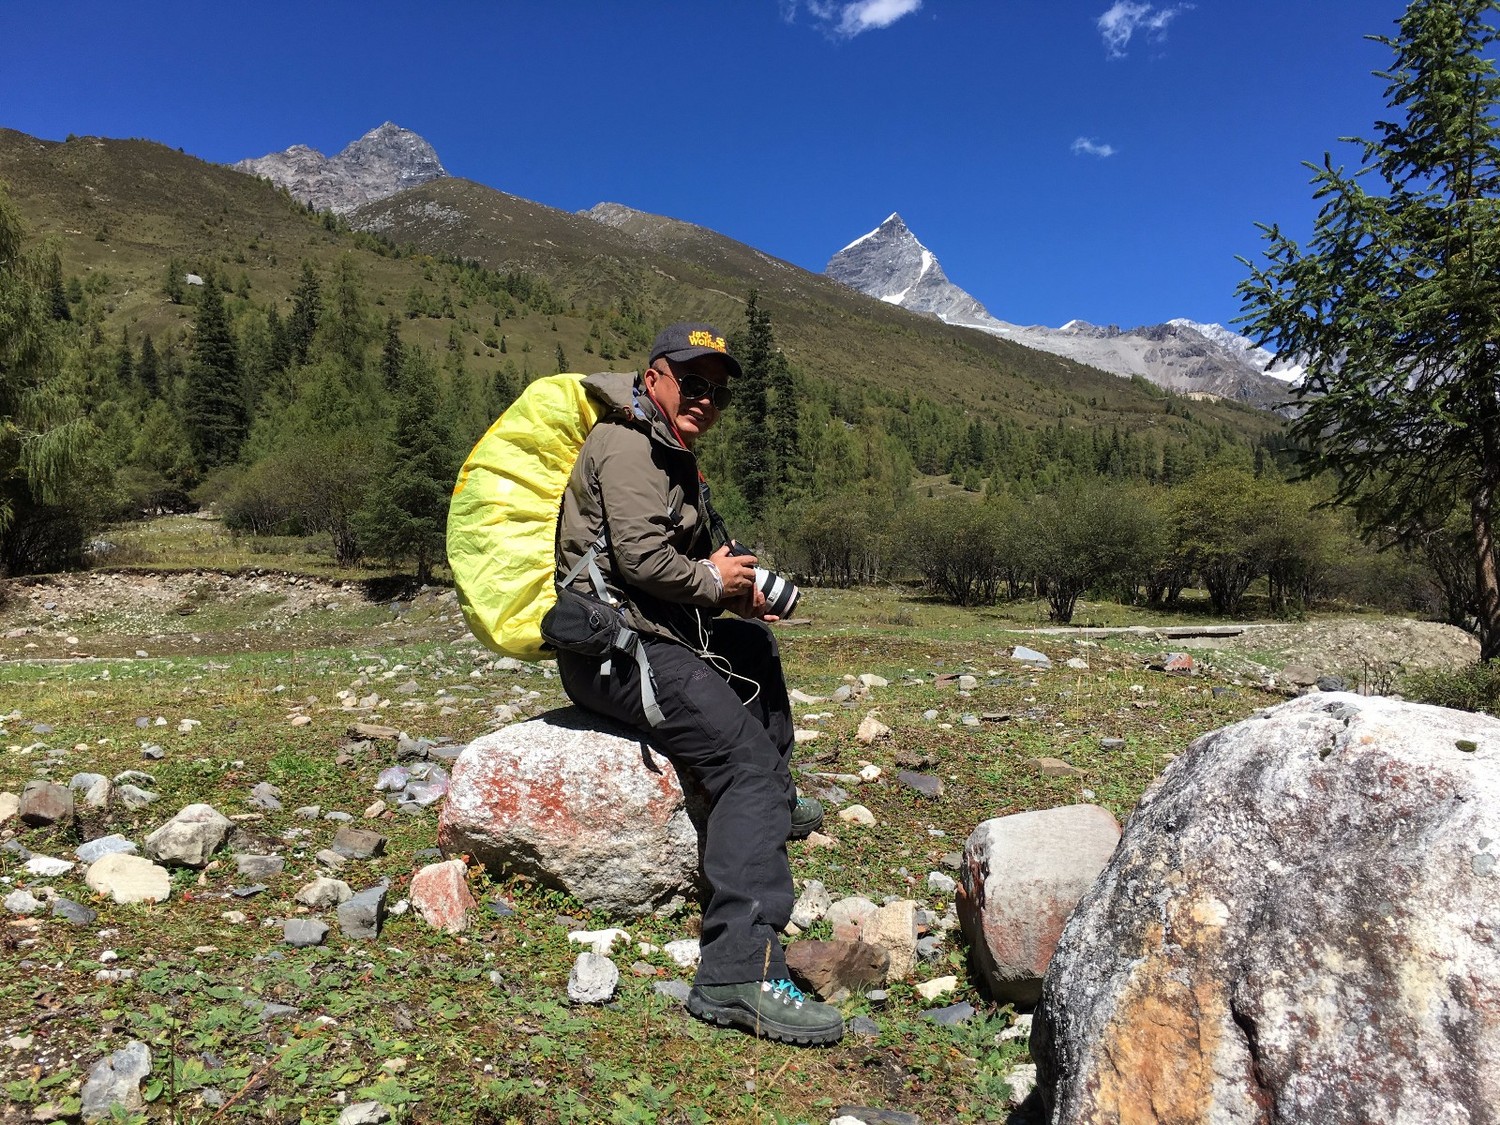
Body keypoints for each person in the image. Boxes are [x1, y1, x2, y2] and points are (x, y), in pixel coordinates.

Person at [553, 322, 843, 1046]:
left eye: (718, 391)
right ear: (654, 377)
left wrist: (735, 594)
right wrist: (714, 580)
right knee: (741, 763)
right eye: (693, 382)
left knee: (753, 646)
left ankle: (772, 802)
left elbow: (680, 566)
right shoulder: (627, 445)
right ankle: (737, 971)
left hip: (656, 632)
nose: (707, 400)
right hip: (614, 646)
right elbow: (644, 560)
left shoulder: (674, 454)